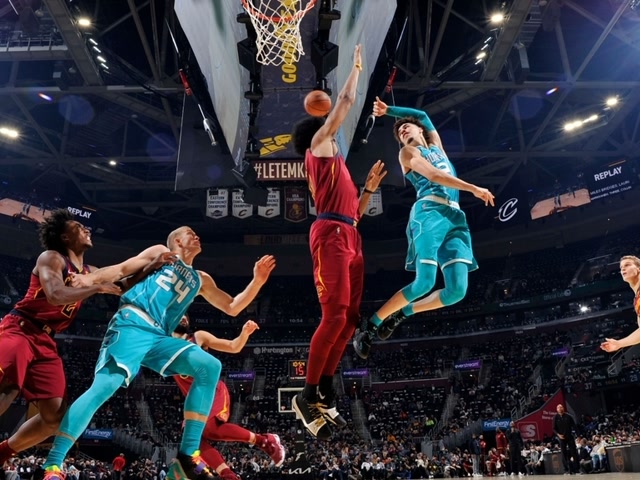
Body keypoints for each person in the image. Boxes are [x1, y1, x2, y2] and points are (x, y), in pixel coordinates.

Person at [41, 227, 276, 480]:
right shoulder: (161, 252)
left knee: (209, 366)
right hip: (133, 322)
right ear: (177, 241)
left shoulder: (201, 279)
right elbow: (122, 269)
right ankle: (52, 465)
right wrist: (89, 280)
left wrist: (257, 280)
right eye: (190, 233)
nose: (197, 236)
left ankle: (188, 455)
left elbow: (232, 306)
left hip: (160, 337)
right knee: (103, 388)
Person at [290, 44, 387, 440]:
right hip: (330, 234)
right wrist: (356, 68)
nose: (336, 130)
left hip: (348, 232)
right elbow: (345, 102)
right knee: (333, 316)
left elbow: (354, 215)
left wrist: (368, 191)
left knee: (349, 319)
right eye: (330, 125)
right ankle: (306, 395)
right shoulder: (318, 147)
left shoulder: (336, 166)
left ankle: (327, 390)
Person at [353, 97, 494, 359]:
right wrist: (473, 188)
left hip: (455, 217)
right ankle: (369, 327)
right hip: (428, 213)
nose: (403, 130)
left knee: (456, 291)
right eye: (399, 131)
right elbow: (434, 176)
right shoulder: (407, 153)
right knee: (424, 283)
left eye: (407, 126)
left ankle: (403, 313)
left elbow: (422, 115)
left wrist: (389, 111)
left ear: (421, 130)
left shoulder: (437, 148)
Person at [0, 209, 121, 465]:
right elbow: (55, 295)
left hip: (47, 340)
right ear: (65, 237)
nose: (87, 229)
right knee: (8, 386)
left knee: (54, 418)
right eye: (79, 227)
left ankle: (3, 452)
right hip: (22, 327)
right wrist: (96, 287)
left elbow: (123, 276)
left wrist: (155, 264)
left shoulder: (89, 271)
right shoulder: (52, 257)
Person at [172, 315, 285, 480]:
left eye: (186, 315)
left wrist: (244, 333)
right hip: (196, 399)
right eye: (179, 314)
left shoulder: (197, 337)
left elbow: (233, 346)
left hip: (213, 390)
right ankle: (229, 475)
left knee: (205, 430)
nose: (183, 317)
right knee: (195, 440)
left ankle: (265, 441)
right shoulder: (165, 347)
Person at [601, 255, 640, 353]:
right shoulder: (637, 298)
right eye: (621, 267)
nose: (623, 268)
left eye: (627, 265)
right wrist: (619, 344)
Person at [553, 404, 578, 475]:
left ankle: (577, 469)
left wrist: (578, 436)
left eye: (561, 407)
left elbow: (574, 426)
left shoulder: (569, 416)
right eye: (558, 407)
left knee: (574, 453)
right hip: (562, 438)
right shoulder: (555, 417)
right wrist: (558, 435)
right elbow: (554, 429)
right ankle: (566, 470)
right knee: (563, 454)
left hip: (569, 437)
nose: (560, 408)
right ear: (557, 409)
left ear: (563, 408)